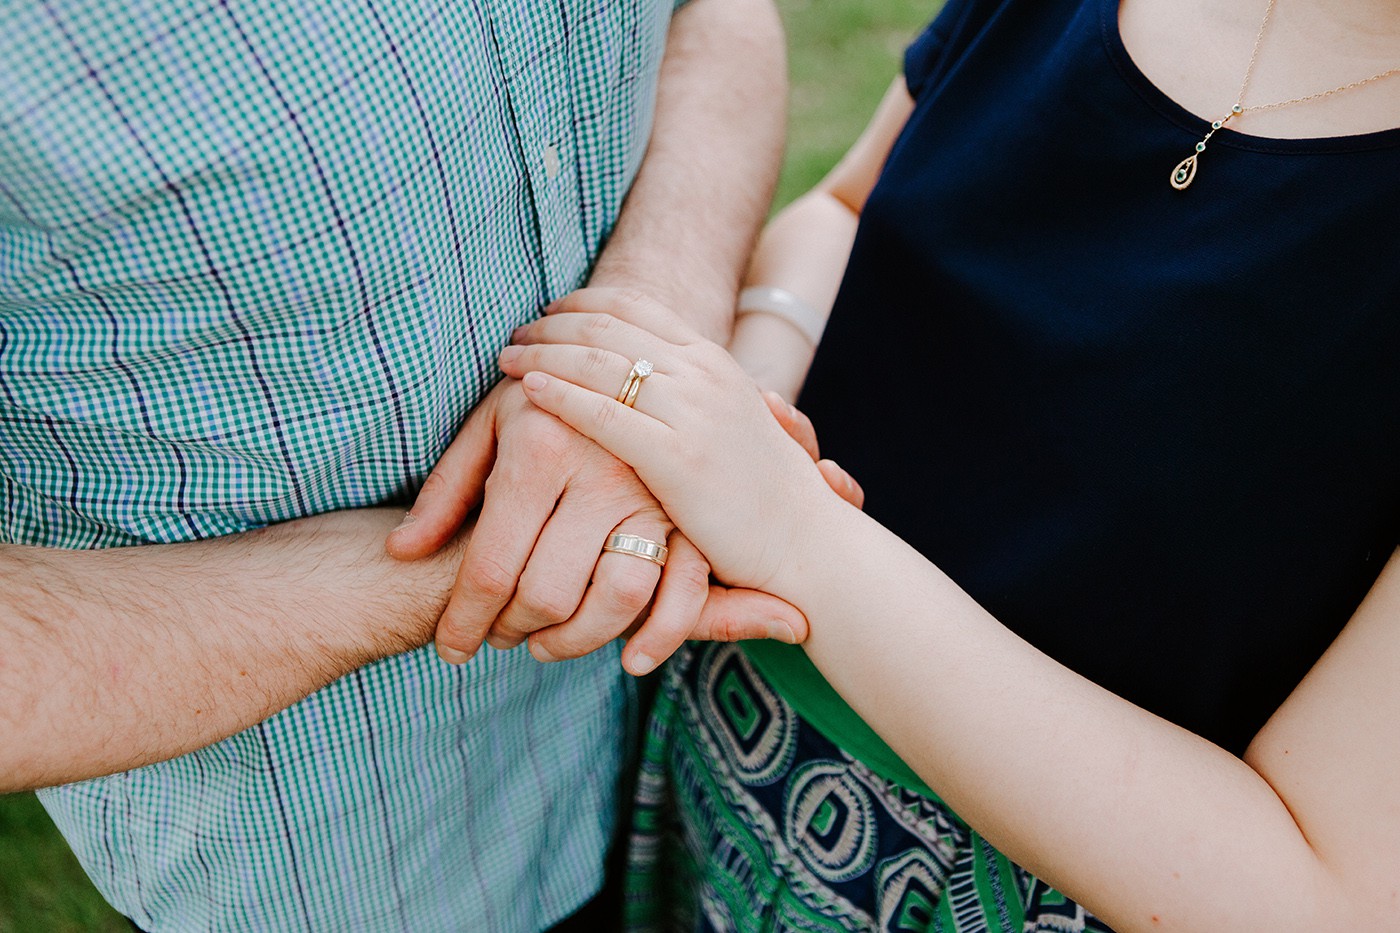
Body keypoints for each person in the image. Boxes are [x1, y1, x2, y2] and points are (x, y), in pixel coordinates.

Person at [493, 0, 1400, 928]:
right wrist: (747, 412)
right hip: (712, 772)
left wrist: (795, 529)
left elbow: (1327, 897)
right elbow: (845, 210)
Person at [0, 0, 803, 929]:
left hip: (722, 754)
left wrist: (647, 326)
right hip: (367, 864)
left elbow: (715, 16)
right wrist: (465, 563)